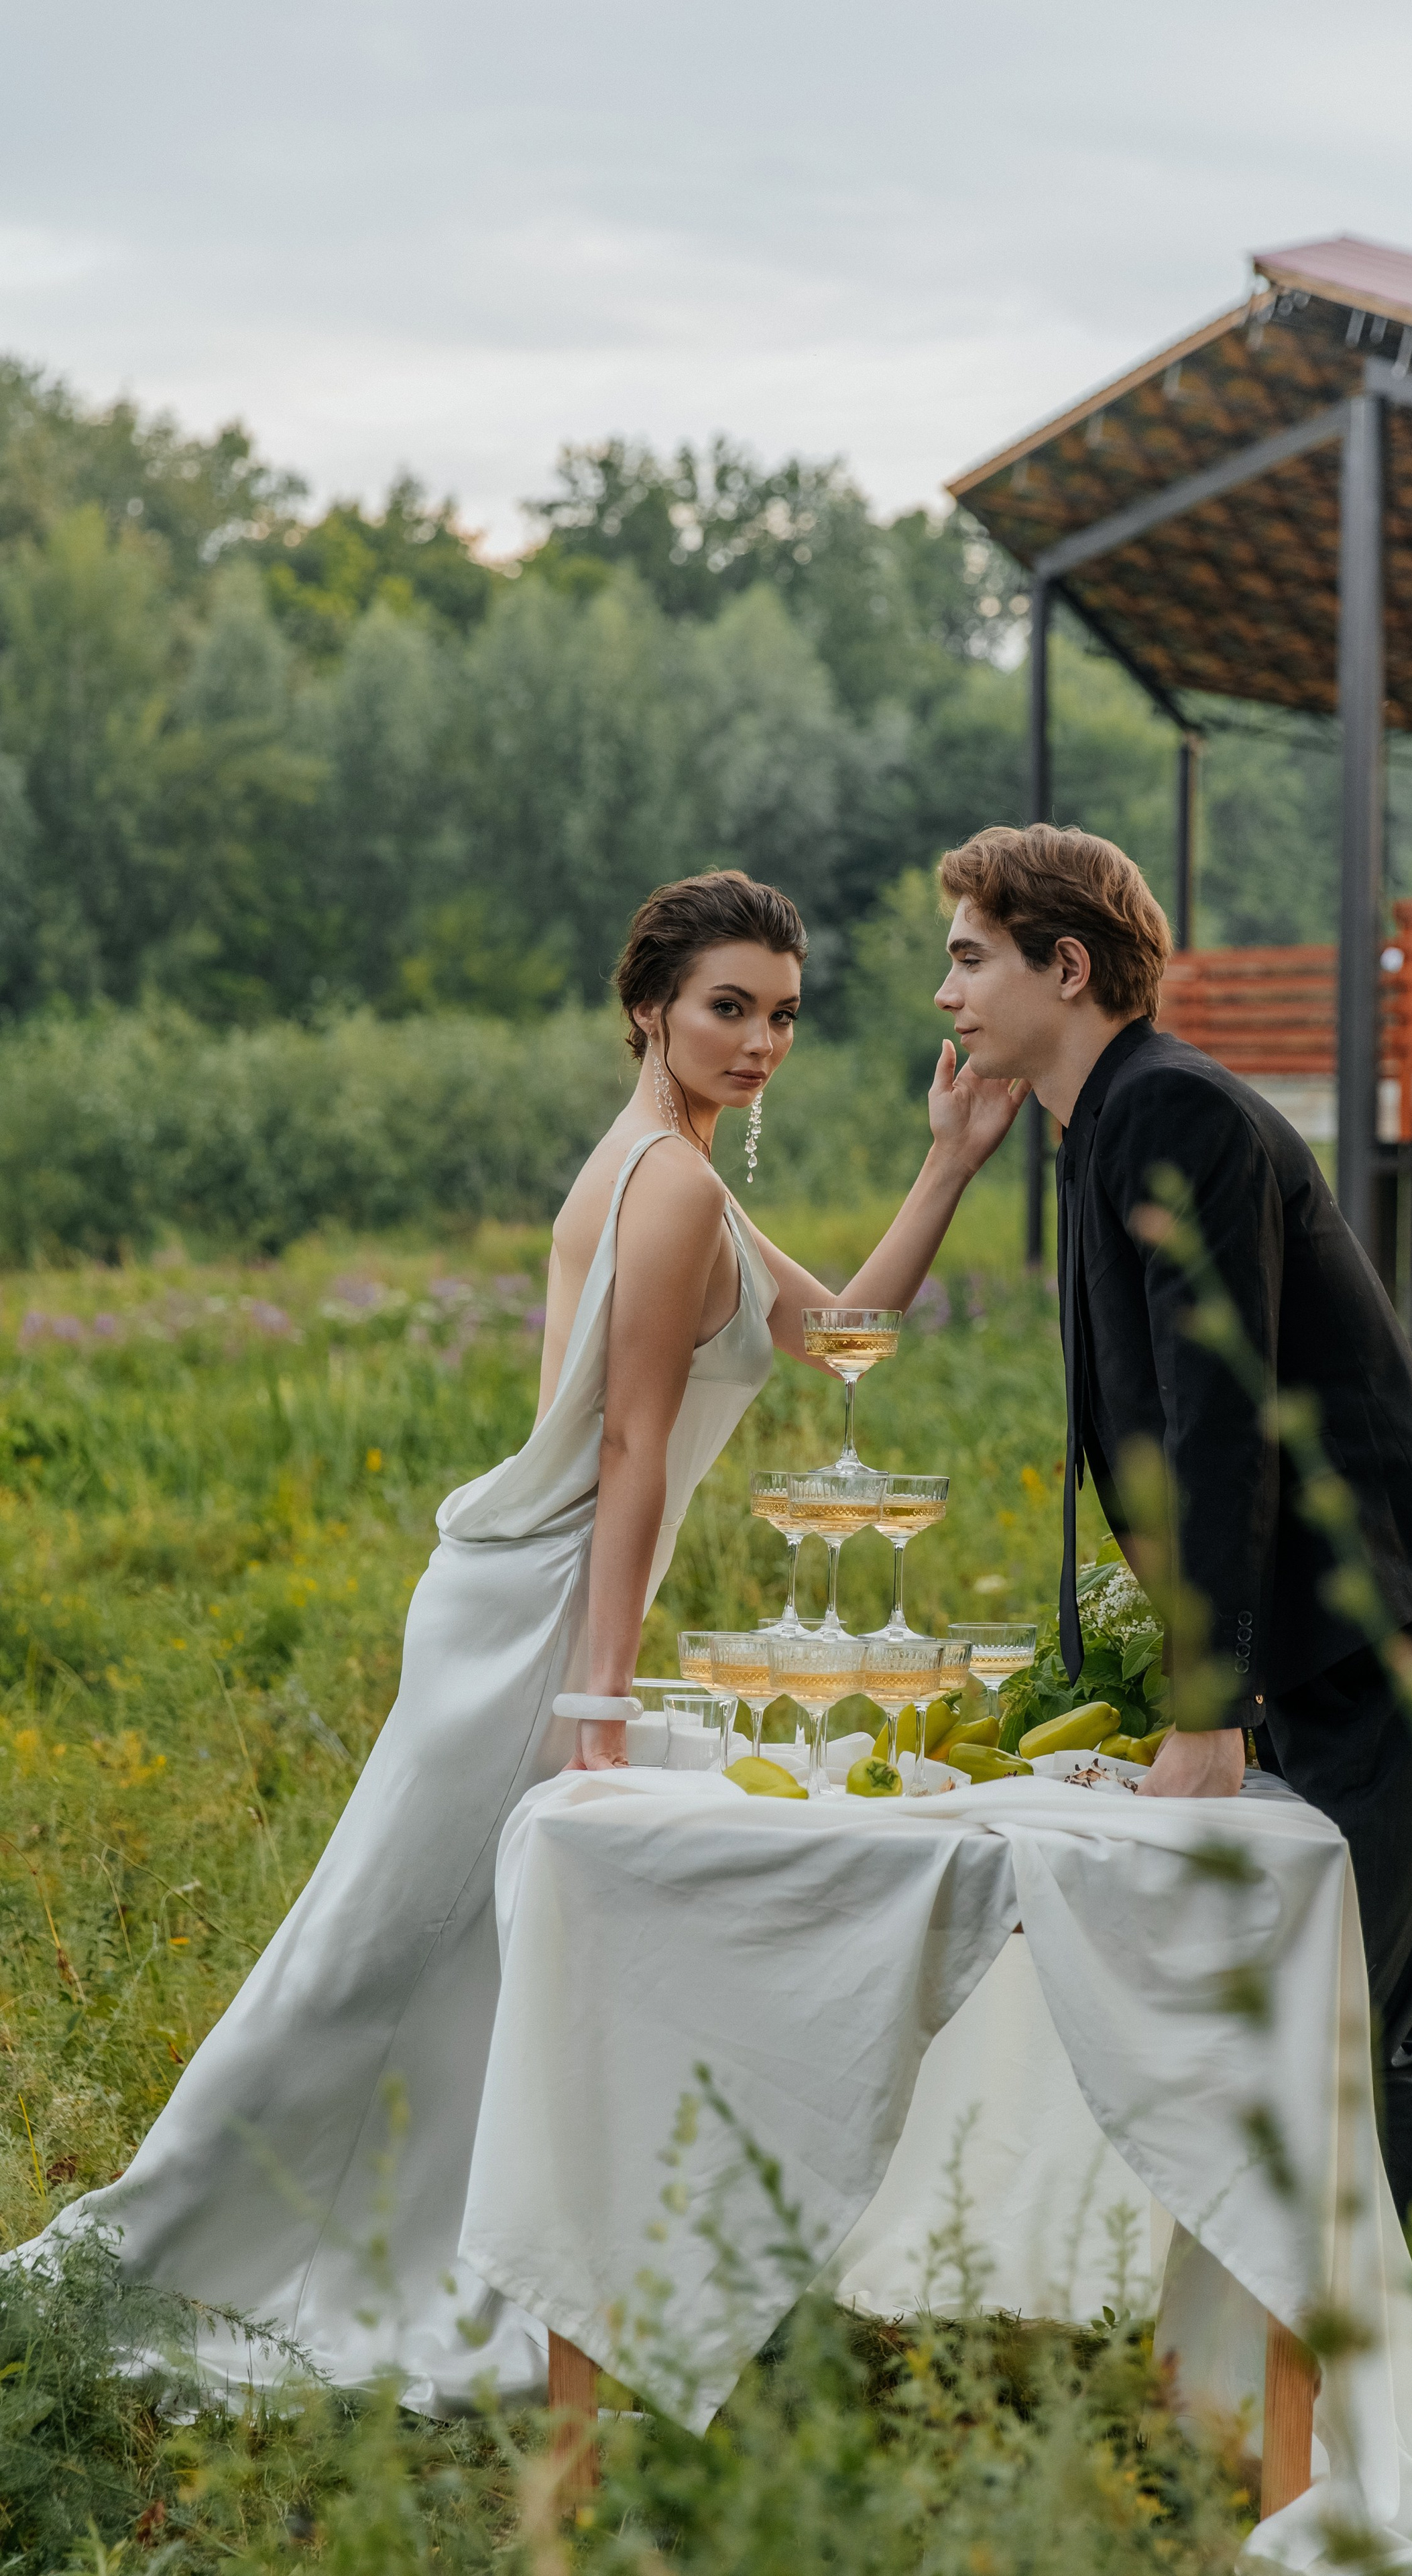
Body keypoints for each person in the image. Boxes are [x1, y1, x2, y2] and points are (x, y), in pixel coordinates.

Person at [29, 869, 1020, 2409]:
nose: (758, 1040)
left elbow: (835, 1349)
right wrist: (597, 1699)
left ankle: (456, 2264)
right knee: (370, 1957)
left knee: (468, 1966)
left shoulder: (668, 1164)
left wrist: (946, 1161)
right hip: (531, 1616)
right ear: (648, 1008)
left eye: (780, 1015)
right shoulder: (669, 1178)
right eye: (726, 1008)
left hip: (524, 1599)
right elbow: (630, 1453)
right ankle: (157, 2264)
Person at [933, 821, 1412, 2477]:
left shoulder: (1171, 1110)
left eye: (971, 954)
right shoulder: (1104, 1119)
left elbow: (1215, 1429)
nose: (944, 989)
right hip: (1319, 1628)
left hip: (1373, 1622)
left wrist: (1207, 1710)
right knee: (1348, 2018)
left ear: (1065, 964)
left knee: (1365, 2031)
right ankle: (1371, 2368)